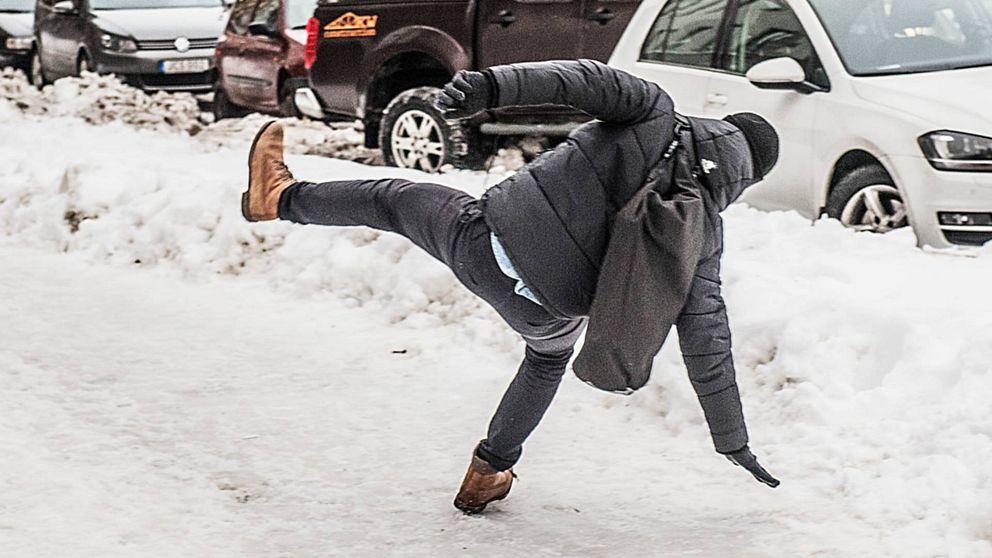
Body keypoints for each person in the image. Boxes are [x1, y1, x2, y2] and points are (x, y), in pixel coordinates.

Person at [240, 59, 781, 514]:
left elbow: (577, 81)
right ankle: (489, 471)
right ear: (746, 177)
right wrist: (732, 439)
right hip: (546, 310)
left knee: (394, 199)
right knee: (546, 361)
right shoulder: (705, 231)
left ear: (722, 123)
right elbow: (709, 340)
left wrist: (491, 87)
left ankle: (280, 198)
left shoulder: (653, 111)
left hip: (488, 241)